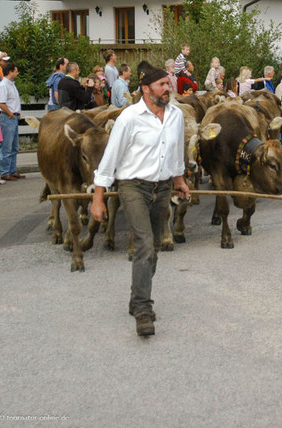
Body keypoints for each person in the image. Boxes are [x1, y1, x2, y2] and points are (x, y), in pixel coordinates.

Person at [91, 60, 190, 337]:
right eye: (162, 85)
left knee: (155, 246)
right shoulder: (129, 117)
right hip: (133, 187)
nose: (168, 88)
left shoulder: (176, 116)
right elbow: (109, 159)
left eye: (168, 84)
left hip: (162, 187)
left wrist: (179, 179)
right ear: (146, 89)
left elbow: (176, 152)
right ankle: (144, 310)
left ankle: (136, 297)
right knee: (144, 244)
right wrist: (98, 198)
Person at [0, 62, 24, 182]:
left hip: (13, 116)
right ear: (10, 71)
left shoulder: (11, 84)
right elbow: (1, 103)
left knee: (14, 146)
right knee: (7, 146)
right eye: (16, 71)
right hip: (8, 117)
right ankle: (5, 172)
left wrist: (17, 112)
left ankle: (12, 170)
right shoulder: (3, 85)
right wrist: (10, 113)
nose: (17, 73)